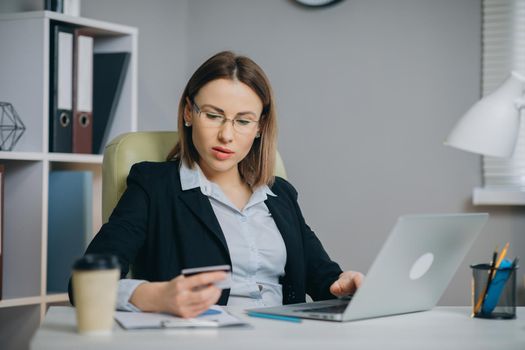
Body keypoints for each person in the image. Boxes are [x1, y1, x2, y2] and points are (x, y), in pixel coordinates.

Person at [69, 51, 363, 318]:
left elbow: (323, 277)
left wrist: (343, 284)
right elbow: (84, 285)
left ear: (260, 127)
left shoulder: (280, 193)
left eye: (243, 121)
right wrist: (156, 296)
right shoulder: (153, 186)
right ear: (188, 113)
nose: (226, 135)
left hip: (285, 337)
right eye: (213, 115)